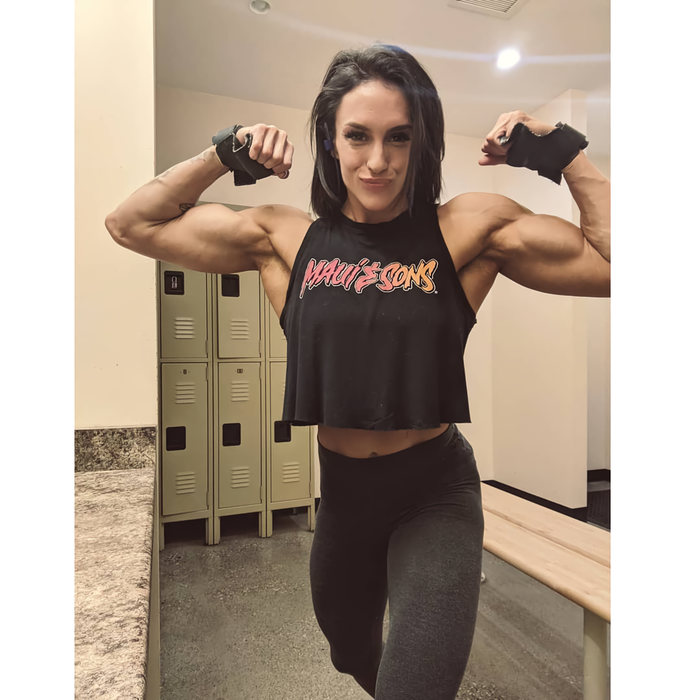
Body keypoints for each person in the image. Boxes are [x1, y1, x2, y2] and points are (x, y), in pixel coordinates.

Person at [106, 43, 609, 700]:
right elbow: (130, 224)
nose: (378, 160)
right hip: (343, 496)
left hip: (434, 493)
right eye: (358, 136)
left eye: (399, 137)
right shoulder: (284, 238)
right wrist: (223, 155)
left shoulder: (467, 228)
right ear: (330, 140)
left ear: (421, 143)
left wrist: (565, 153)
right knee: (348, 652)